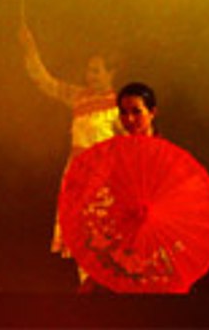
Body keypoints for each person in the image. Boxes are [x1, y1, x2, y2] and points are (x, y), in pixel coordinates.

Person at [18, 20, 123, 283]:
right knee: (80, 243)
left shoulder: (119, 106)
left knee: (104, 245)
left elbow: (136, 145)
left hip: (105, 181)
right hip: (77, 176)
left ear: (112, 73)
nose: (91, 76)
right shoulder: (79, 96)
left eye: (97, 71)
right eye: (89, 70)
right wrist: (30, 48)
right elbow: (45, 82)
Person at [77, 82, 161, 294]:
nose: (129, 119)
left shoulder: (165, 155)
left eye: (136, 112)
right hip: (121, 236)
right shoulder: (116, 153)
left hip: (154, 238)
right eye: (123, 113)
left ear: (152, 113)